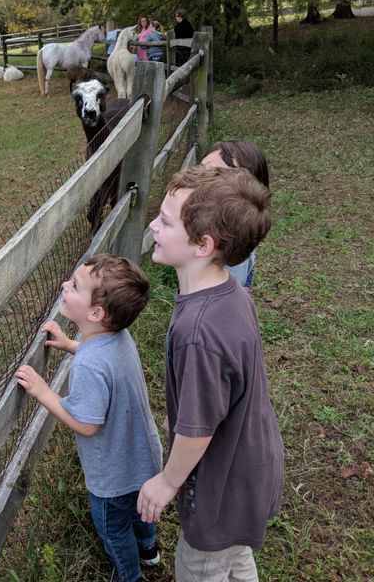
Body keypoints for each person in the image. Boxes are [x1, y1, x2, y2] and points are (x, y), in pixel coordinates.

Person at [138, 167, 285, 581]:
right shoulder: (232, 294)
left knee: (202, 567)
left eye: (165, 221)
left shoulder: (198, 333)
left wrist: (167, 482)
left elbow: (197, 432)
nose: (153, 224)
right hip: (249, 468)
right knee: (234, 560)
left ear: (203, 245)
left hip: (220, 490)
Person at [15, 254, 163, 582]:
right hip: (144, 457)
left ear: (96, 313)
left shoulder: (89, 366)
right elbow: (99, 354)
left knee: (113, 530)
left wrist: (43, 391)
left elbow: (87, 424)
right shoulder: (117, 337)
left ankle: (129, 575)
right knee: (142, 511)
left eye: (75, 286)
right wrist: (71, 344)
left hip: (113, 477)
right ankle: (150, 550)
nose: (65, 286)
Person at [201, 140, 270, 291]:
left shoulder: (231, 243)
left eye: (217, 177)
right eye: (202, 171)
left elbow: (224, 297)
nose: (201, 182)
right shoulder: (214, 225)